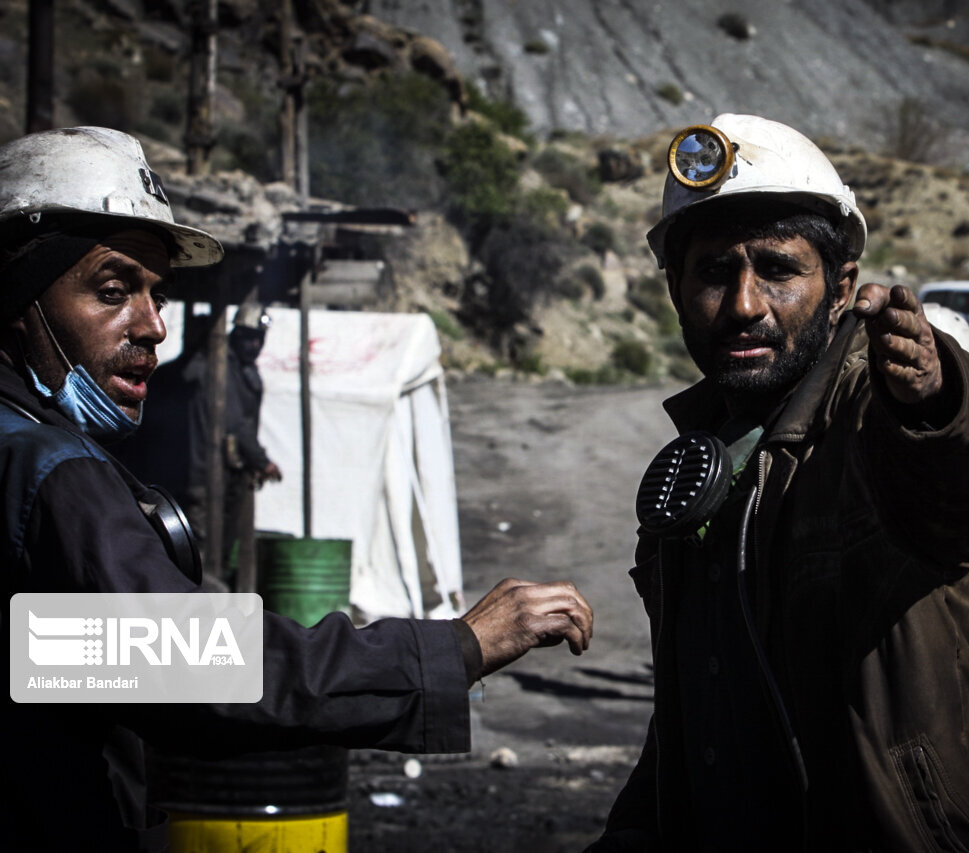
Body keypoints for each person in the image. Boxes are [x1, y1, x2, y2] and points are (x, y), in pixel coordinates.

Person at [0, 126, 593, 851]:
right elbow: (192, 669)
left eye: (156, 294)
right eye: (114, 290)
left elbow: (65, 659)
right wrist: (456, 648)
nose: (153, 325)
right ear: (18, 295)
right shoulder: (49, 472)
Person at [589, 114, 969, 851]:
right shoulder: (702, 464)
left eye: (777, 268)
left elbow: (964, 462)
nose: (743, 304)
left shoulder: (872, 418)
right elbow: (699, 704)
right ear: (674, 290)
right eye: (712, 272)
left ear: (840, 287)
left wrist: (934, 394)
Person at [117, 301, 282, 584]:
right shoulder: (216, 370)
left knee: (222, 547)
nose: (254, 345)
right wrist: (260, 460)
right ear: (234, 336)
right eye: (248, 338)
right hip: (201, 476)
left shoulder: (245, 373)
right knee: (199, 549)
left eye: (259, 339)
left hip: (228, 477)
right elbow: (235, 424)